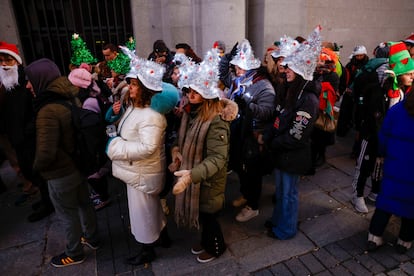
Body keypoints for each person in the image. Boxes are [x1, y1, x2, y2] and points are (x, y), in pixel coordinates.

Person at [25, 58, 99, 267]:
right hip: (78, 165)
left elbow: (46, 151)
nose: (28, 85)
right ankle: (93, 238)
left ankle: (74, 253)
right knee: (84, 204)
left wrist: (36, 168)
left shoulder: (47, 109)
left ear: (41, 79)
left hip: (60, 172)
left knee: (67, 214)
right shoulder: (69, 95)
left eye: (30, 80)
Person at [169, 48, 238, 263]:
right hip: (196, 174)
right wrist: (177, 151)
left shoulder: (216, 120)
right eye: (189, 90)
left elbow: (218, 159)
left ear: (207, 96)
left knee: (210, 217)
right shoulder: (192, 112)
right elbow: (184, 139)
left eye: (196, 92)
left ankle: (216, 246)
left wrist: (192, 175)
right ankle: (207, 241)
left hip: (207, 181)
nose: (190, 95)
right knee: (202, 215)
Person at [106, 54, 171, 266]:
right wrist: (113, 117)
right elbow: (127, 127)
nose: (129, 88)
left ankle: (147, 249)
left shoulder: (151, 116)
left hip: (142, 172)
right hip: (138, 171)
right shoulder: (136, 107)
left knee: (142, 213)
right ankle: (162, 236)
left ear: (144, 89)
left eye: (134, 85)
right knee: (150, 208)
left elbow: (147, 147)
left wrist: (114, 145)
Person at [263, 26, 321, 240]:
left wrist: (274, 142)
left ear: (301, 72)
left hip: (292, 155)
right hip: (282, 152)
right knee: (280, 193)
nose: (285, 69)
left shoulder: (308, 99)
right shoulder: (290, 92)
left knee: (288, 195)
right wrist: (270, 135)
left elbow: (298, 134)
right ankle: (278, 220)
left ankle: (286, 229)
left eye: (290, 68)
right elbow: (280, 117)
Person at [219, 39, 275, 222]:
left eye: (240, 68)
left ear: (252, 68)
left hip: (252, 134)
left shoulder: (264, 86)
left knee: (252, 170)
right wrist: (228, 56)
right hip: (237, 131)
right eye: (236, 67)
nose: (237, 70)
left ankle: (253, 205)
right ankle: (245, 193)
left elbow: (267, 112)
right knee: (239, 166)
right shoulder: (237, 79)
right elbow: (222, 72)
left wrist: (248, 106)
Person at [366, 42, 414, 254]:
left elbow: (383, 136)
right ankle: (404, 242)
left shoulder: (397, 111)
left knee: (385, 203)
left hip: (394, 167)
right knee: (410, 208)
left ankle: (373, 237)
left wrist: (383, 155)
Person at [0, 41, 55, 222]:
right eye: (1, 61)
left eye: (8, 60)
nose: (4, 65)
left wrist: (28, 130)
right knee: (28, 170)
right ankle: (44, 199)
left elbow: (36, 108)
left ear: (16, 61)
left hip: (30, 137)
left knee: (38, 171)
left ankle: (48, 203)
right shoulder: (5, 85)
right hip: (16, 137)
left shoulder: (26, 80)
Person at [350, 43, 390, 213]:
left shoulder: (395, 85)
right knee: (365, 162)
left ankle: (374, 191)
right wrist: (361, 126)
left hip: (381, 129)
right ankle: (357, 194)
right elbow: (363, 105)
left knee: (378, 163)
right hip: (371, 128)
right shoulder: (376, 79)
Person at [309, 47, 340, 173]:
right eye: (318, 60)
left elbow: (328, 91)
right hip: (313, 107)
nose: (318, 63)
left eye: (321, 61)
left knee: (321, 133)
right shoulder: (314, 73)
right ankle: (313, 156)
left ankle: (320, 155)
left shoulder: (332, 76)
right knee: (313, 135)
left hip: (323, 109)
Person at [336, 45, 369, 144]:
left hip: (360, 93)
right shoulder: (351, 65)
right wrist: (345, 88)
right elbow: (346, 76)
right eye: (357, 56)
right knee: (345, 111)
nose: (358, 57)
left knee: (358, 113)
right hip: (349, 92)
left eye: (361, 55)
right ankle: (342, 130)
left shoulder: (367, 65)